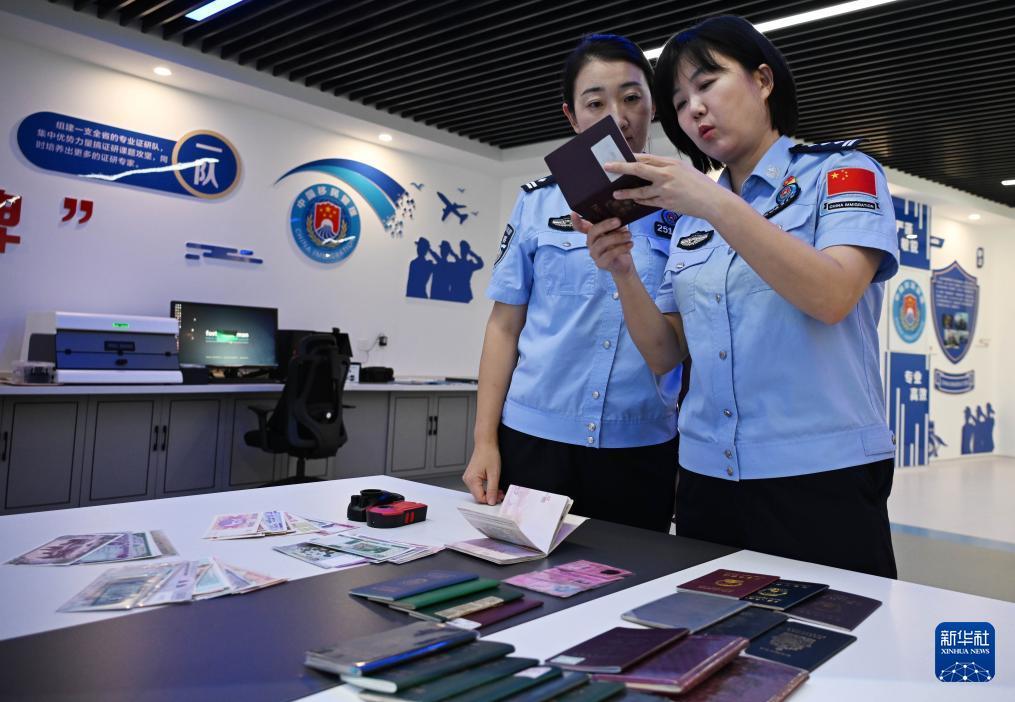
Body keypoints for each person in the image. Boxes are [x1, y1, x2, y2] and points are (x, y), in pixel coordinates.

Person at [578, 16, 899, 576]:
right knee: (707, 627)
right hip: (707, 478)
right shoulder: (690, 217)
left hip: (821, 473)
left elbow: (832, 295)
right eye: (680, 102)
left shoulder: (840, 173)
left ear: (763, 80)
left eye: (707, 84)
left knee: (834, 629)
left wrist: (714, 202)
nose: (694, 109)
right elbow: (665, 354)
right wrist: (623, 271)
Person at [462, 34, 681, 532]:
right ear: (573, 116)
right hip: (535, 438)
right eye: (595, 103)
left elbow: (685, 347)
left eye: (632, 97)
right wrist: (485, 441)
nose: (617, 116)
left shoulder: (688, 211)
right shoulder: (536, 203)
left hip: (640, 446)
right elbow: (504, 327)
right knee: (520, 572)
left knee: (634, 576)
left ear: (653, 107)